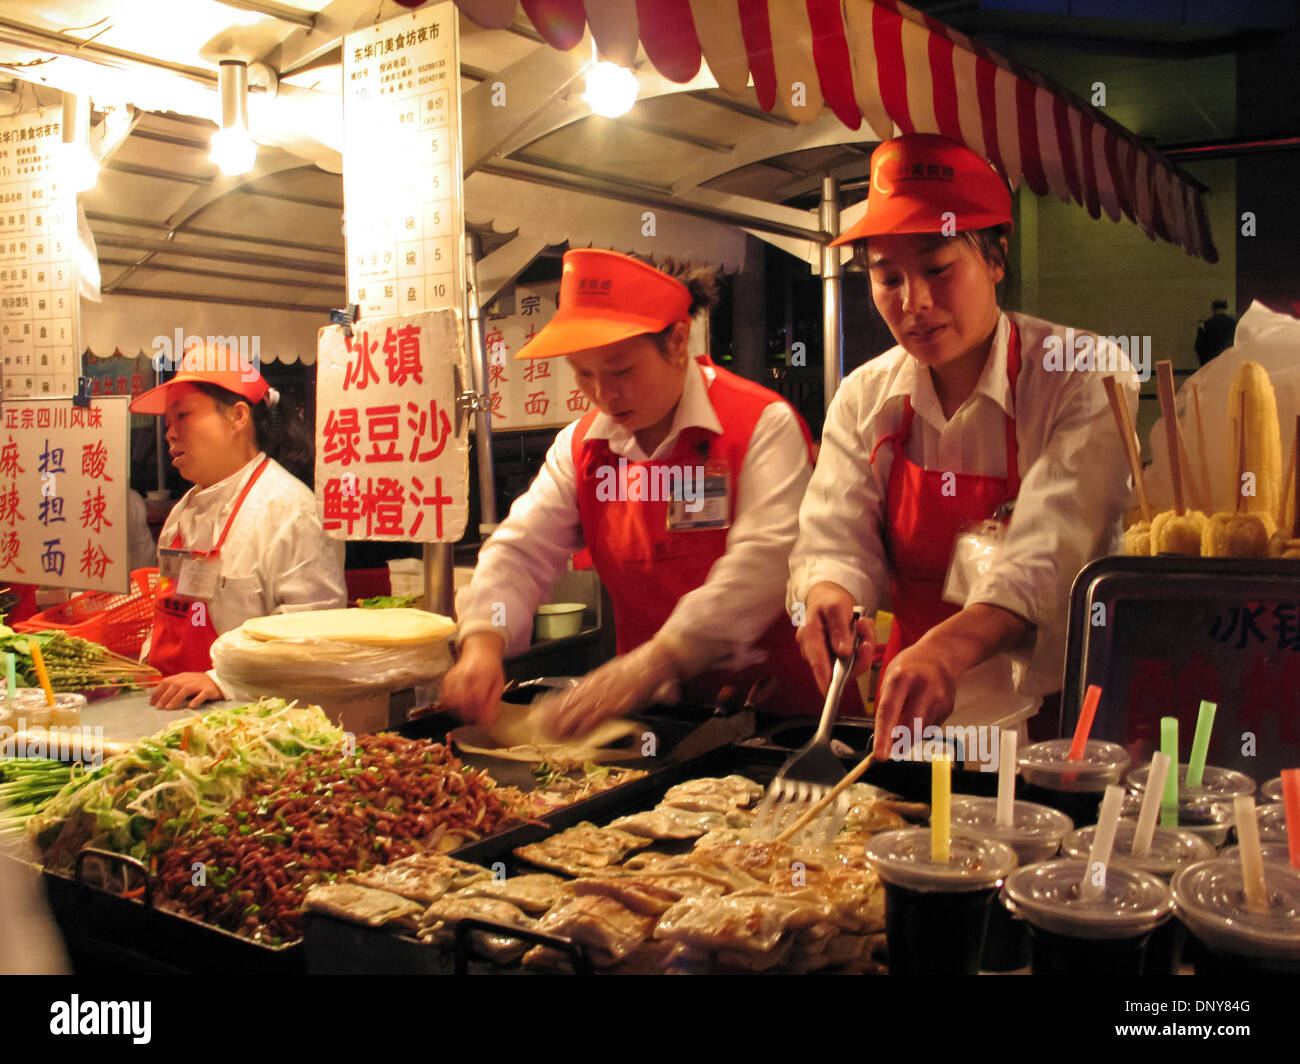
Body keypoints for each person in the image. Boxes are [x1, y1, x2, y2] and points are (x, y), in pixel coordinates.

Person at [788, 134, 1139, 757]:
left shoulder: (1081, 372)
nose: (913, 303)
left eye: (937, 268)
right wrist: (828, 594)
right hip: (915, 724)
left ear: (997, 258)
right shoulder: (864, 396)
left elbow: (1053, 550)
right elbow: (834, 537)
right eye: (888, 277)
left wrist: (951, 648)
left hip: (1053, 723)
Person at [441, 249, 818, 739]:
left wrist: (658, 659)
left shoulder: (761, 423)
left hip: (785, 721)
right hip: (658, 728)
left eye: (621, 371)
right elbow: (521, 550)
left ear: (677, 341)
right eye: (583, 373)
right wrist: (482, 641)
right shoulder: (580, 449)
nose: (604, 394)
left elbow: (765, 562)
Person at [129, 343, 346, 709]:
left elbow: (312, 632)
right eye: (168, 422)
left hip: (252, 720)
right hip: (168, 710)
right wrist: (144, 664)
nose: (169, 433)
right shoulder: (182, 513)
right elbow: (169, 610)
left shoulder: (293, 511)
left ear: (238, 416)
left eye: (182, 416)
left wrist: (220, 680)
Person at [1195, 300, 1237, 366]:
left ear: (1213, 309)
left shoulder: (1205, 324)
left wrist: (1204, 363)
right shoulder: (1235, 323)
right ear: (1226, 308)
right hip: (1229, 361)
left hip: (1211, 362)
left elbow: (1198, 346)